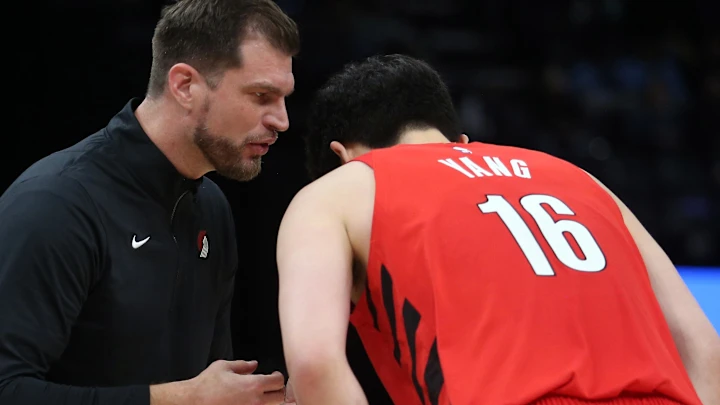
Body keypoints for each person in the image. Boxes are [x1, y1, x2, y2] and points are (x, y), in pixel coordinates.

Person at [276, 54, 720, 405]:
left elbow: (314, 362)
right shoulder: (582, 179)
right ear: (460, 142)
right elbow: (705, 347)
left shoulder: (339, 190)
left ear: (342, 157)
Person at [0, 1, 298, 404]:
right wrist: (183, 399)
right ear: (184, 86)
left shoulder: (212, 206)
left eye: (284, 99)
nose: (282, 120)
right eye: (262, 95)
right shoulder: (56, 204)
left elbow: (210, 388)